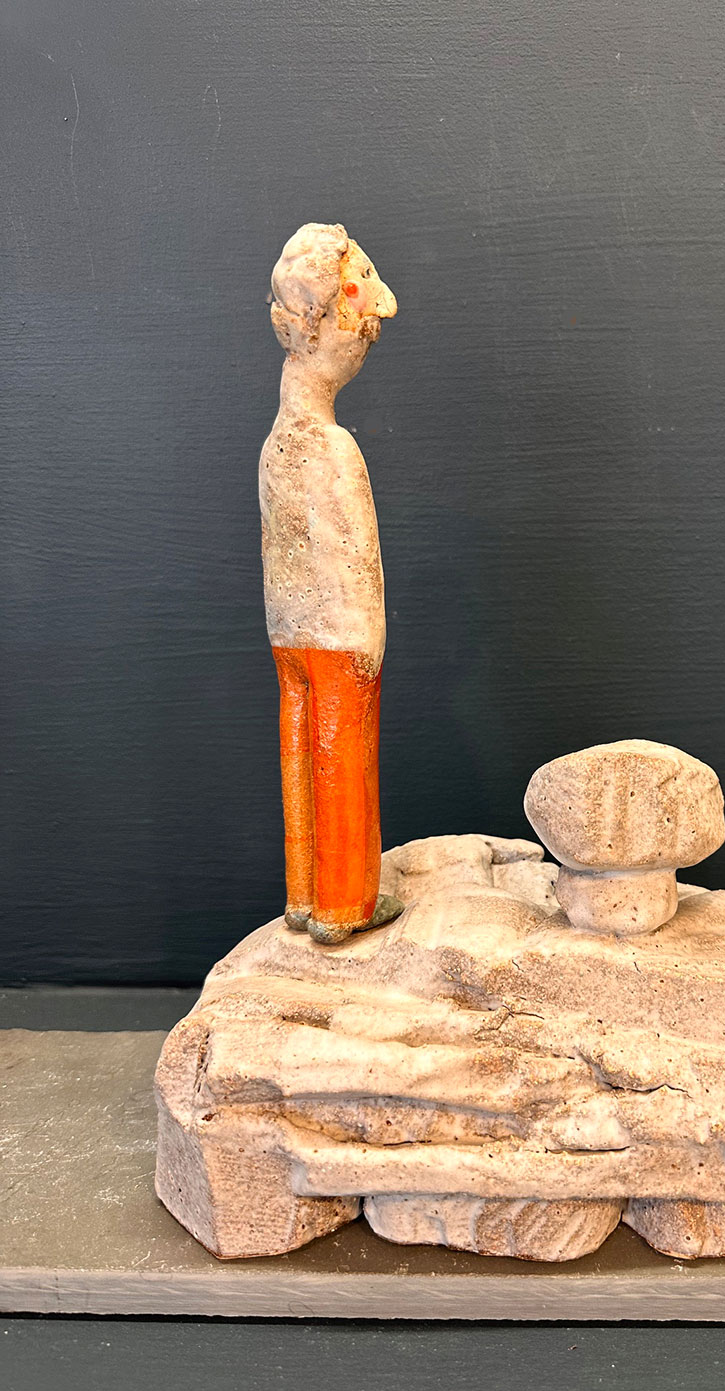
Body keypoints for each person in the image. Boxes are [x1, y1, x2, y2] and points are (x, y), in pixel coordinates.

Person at [260, 222, 398, 942]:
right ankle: (345, 904)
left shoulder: (278, 443)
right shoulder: (334, 448)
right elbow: (356, 559)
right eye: (359, 291)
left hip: (288, 629)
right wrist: (369, 643)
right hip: (342, 634)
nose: (382, 309)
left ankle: (304, 894)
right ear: (317, 325)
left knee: (299, 747)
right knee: (342, 753)